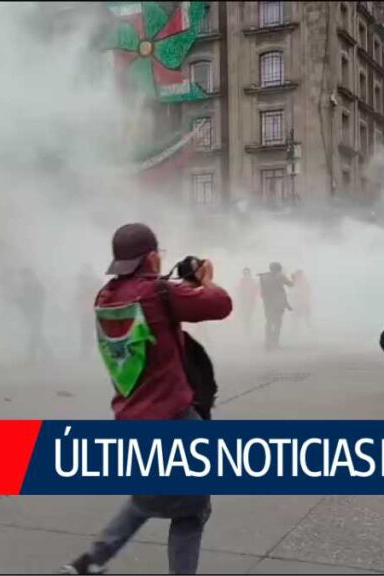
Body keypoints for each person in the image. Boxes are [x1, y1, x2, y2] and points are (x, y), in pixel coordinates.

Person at [61, 223, 231, 575]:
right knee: (192, 509)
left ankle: (91, 561)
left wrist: (179, 285)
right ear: (152, 257)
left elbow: (155, 308)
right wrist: (206, 281)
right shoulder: (159, 294)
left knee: (148, 497)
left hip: (130, 418)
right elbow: (220, 305)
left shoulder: (107, 296)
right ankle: (95, 560)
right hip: (173, 418)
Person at [14, 268, 52, 365]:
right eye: (23, 277)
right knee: (35, 336)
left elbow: (37, 302)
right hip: (30, 314)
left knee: (35, 335)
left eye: (25, 276)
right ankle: (41, 356)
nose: (24, 279)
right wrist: (18, 301)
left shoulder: (38, 287)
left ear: (31, 276)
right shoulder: (26, 287)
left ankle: (36, 357)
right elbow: (25, 301)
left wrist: (21, 301)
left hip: (37, 314)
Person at [258, 262, 294, 351]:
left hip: (267, 303)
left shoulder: (263, 277)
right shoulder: (280, 276)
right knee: (277, 323)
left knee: (269, 322)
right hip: (278, 304)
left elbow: (262, 292)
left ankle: (268, 343)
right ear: (279, 269)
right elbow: (291, 284)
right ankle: (275, 343)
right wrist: (294, 278)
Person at [76, 263, 101, 359]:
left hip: (94, 312)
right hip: (87, 312)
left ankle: (88, 353)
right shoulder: (82, 284)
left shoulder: (94, 283)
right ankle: (85, 353)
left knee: (93, 334)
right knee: (86, 334)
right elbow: (78, 298)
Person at [288, 269, 313, 336]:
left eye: (300, 274)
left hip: (304, 302)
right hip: (298, 303)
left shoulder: (304, 282)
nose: (300, 276)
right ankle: (295, 331)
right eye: (299, 275)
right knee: (296, 318)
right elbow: (291, 290)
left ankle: (309, 330)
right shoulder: (295, 281)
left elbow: (308, 291)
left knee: (306, 318)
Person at [236, 267, 258, 338]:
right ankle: (247, 332)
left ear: (249, 273)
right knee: (245, 318)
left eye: (247, 273)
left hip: (251, 301)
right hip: (244, 301)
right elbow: (239, 291)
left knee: (248, 317)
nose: (246, 274)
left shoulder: (252, 281)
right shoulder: (241, 281)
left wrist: (252, 300)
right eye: (245, 273)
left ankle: (249, 331)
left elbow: (255, 291)